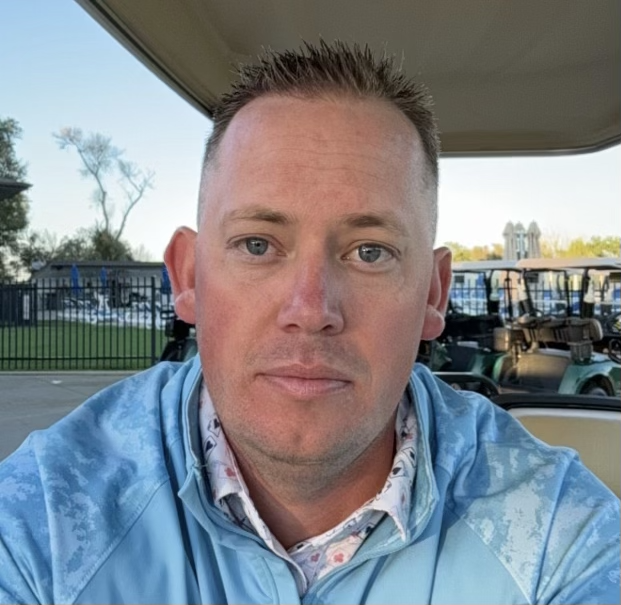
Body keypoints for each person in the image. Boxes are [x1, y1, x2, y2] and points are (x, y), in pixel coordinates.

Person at [0, 41, 619, 605]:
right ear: (187, 277)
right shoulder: (44, 522)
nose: (310, 311)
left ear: (434, 293)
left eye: (369, 252)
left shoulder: (556, 534)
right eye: (257, 245)